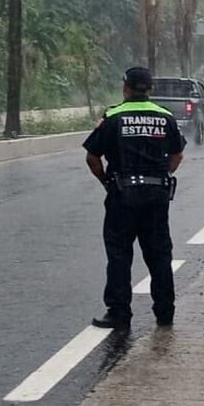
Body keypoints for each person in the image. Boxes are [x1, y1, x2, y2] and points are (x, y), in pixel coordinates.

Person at [82, 67, 185, 330]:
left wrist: (107, 181)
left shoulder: (114, 116)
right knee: (160, 254)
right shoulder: (165, 117)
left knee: (119, 255)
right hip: (157, 197)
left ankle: (119, 313)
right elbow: (177, 154)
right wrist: (163, 175)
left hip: (122, 196)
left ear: (125, 88)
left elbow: (92, 157)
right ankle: (165, 313)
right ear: (150, 89)